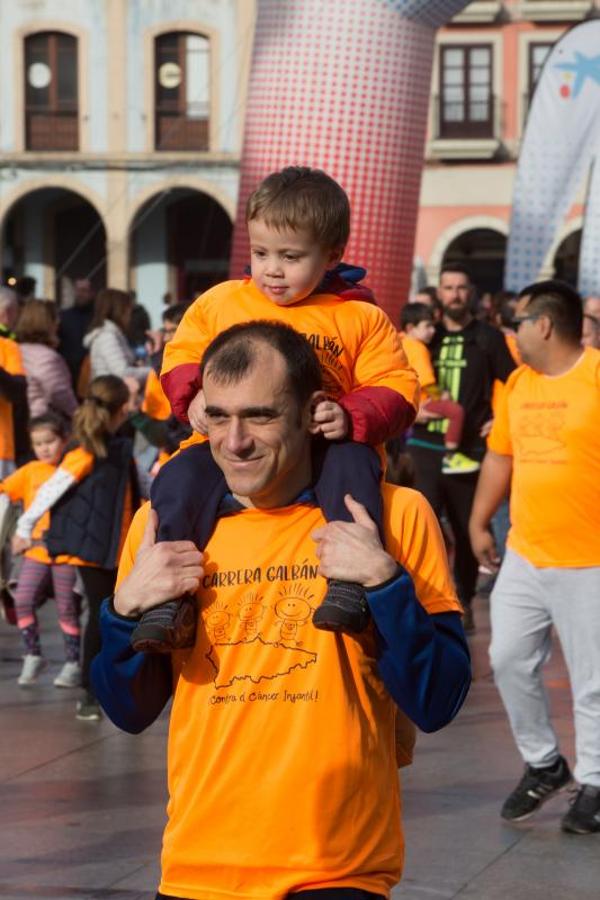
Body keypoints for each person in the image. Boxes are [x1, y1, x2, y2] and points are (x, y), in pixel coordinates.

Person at [92, 321, 470, 898]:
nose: (234, 441)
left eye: (260, 416)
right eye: (217, 416)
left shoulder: (394, 517)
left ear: (313, 410)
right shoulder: (159, 529)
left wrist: (384, 584)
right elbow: (129, 709)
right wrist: (121, 613)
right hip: (197, 869)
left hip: (339, 871)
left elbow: (438, 698)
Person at [132, 166, 419, 652]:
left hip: (324, 448)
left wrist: (351, 415)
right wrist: (194, 394)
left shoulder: (359, 316)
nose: (272, 270)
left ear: (332, 254)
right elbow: (180, 355)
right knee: (176, 480)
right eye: (260, 253)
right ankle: (171, 596)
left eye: (290, 256)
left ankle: (348, 583)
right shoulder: (221, 302)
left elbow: (397, 386)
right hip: (228, 446)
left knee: (355, 470)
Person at [469, 280, 600, 835]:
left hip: (590, 559)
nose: (512, 331)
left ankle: (595, 782)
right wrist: (478, 521)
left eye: (518, 321)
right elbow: (501, 458)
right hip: (526, 551)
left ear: (544, 324)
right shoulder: (518, 384)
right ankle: (545, 762)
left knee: (593, 681)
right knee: (507, 659)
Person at [12, 375, 141, 721]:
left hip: (118, 547)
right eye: (129, 400)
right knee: (100, 620)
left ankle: (109, 685)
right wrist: (24, 527)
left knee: (118, 616)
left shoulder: (119, 446)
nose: (133, 405)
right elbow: (50, 490)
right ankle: (88, 690)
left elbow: (138, 487)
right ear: (118, 408)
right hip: (93, 550)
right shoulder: (85, 450)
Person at [406, 263, 516, 631]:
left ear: (471, 293)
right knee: (423, 525)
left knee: (469, 527)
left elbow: (515, 382)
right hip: (425, 446)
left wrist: (502, 419)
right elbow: (397, 374)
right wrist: (410, 407)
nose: (454, 293)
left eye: (461, 287)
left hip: (469, 450)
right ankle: (425, 598)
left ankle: (464, 598)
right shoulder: (425, 335)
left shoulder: (487, 337)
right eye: (448, 287)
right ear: (439, 293)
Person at [1, 413, 81, 687]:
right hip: (34, 552)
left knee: (67, 607)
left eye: (50, 441)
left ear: (64, 440)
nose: (44, 448)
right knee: (22, 599)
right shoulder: (29, 471)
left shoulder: (72, 469)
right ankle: (32, 654)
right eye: (38, 443)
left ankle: (72, 663)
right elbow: (4, 491)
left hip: (65, 554)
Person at [400, 303, 479, 475]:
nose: (433, 331)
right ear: (411, 327)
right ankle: (451, 456)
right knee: (456, 411)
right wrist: (442, 395)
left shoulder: (400, 342)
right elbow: (427, 382)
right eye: (427, 326)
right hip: (420, 401)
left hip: (403, 401)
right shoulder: (419, 349)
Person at [15, 299, 78, 421]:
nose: (59, 322)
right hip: (42, 423)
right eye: (55, 317)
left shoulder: (16, 350)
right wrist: (79, 416)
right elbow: (59, 394)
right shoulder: (46, 357)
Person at [83, 288, 151, 385]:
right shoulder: (107, 336)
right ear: (119, 311)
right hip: (110, 393)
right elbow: (122, 372)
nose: (129, 316)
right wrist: (154, 371)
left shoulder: (114, 334)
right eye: (128, 311)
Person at [0, 290, 28, 477]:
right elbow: (17, 391)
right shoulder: (8, 346)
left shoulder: (9, 345)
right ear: (8, 312)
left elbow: (16, 391)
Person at [57, 277, 95, 385]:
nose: (80, 294)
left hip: (90, 373)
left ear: (92, 293)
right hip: (67, 373)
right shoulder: (64, 316)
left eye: (84, 290)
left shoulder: (97, 318)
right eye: (78, 290)